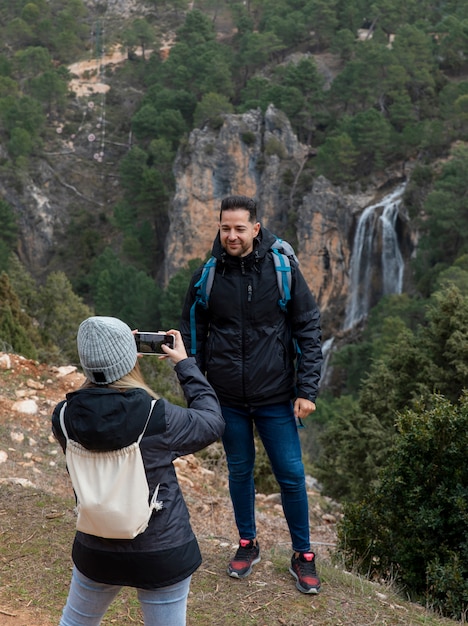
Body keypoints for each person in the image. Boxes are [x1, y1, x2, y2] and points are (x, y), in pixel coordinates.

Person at [180, 195, 323, 594]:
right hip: (226, 399)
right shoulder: (205, 277)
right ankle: (247, 543)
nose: (232, 235)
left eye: (240, 228)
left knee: (292, 477)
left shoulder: (283, 270)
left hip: (277, 397)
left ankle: (304, 555)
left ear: (256, 228)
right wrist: (197, 393)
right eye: (225, 228)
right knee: (239, 472)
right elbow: (192, 339)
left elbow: (309, 328)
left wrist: (307, 389)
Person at [52, 316, 224, 626]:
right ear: (129, 357)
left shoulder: (63, 417)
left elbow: (96, 404)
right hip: (161, 550)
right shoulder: (157, 416)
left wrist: (113, 360)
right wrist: (184, 364)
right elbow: (211, 422)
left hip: (97, 548)